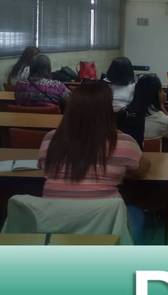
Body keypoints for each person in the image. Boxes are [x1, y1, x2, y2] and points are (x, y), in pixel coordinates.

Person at [38, 81, 150, 242]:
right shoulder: (123, 142)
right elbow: (142, 169)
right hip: (105, 227)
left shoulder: (50, 139)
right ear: (108, 111)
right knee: (136, 213)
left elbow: (44, 167)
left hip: (54, 226)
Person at [127, 75, 168, 140]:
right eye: (162, 90)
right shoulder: (166, 122)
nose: (164, 93)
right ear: (157, 94)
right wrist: (161, 105)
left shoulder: (124, 116)